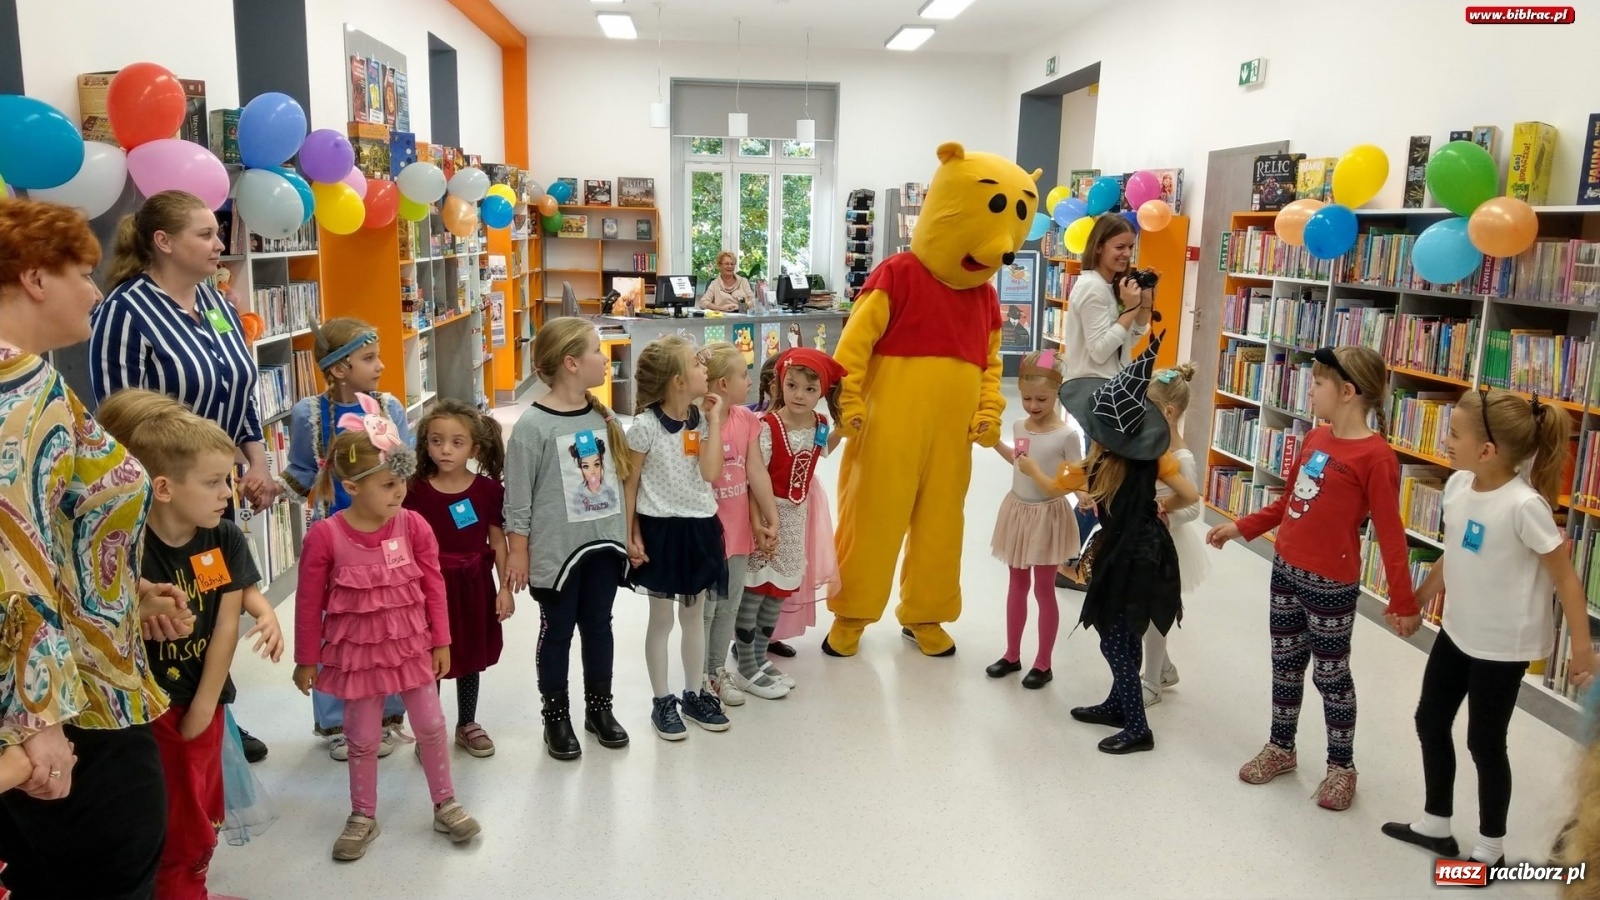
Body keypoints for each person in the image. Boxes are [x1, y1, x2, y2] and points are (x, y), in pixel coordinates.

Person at [0, 198, 192, 899]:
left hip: (66, 685)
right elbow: (10, 563)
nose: (96, 289)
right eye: (81, 271)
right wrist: (37, 722)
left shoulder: (33, 379)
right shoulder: (19, 393)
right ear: (33, 278)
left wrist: (128, 590)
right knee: (109, 873)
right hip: (76, 707)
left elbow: (50, 535)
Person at [89, 189, 283, 763]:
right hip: (165, 496)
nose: (220, 244)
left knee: (220, 595)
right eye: (206, 234)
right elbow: (119, 417)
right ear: (163, 242)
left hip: (215, 486)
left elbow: (241, 389)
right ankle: (168, 723)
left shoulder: (218, 302)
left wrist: (257, 462)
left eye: (219, 234)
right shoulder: (124, 310)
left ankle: (218, 711)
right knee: (176, 612)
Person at [1382, 388, 1596, 868]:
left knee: (1484, 740)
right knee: (1430, 720)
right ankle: (1436, 823)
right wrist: (1415, 600)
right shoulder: (1459, 486)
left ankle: (1491, 848)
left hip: (1502, 647)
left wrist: (1582, 650)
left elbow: (1566, 579)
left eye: (1455, 434)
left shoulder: (1525, 507)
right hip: (1458, 632)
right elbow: (1453, 554)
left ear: (1488, 450)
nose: (1447, 440)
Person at [1206, 345, 1418, 811]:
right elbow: (1288, 502)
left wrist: (1403, 602)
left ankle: (1342, 767)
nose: (1311, 389)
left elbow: (1389, 532)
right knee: (1285, 665)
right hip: (1285, 570)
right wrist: (1242, 526)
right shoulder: (1315, 439)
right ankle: (1281, 747)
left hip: (1331, 585)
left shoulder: (1376, 457)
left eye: (1319, 382)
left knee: (1331, 675)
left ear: (1346, 392)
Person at [293, 397, 480, 861]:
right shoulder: (326, 536)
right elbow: (308, 602)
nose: (400, 493)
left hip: (413, 648)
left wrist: (442, 640)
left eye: (402, 482)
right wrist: (305, 659)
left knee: (433, 723)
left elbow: (433, 585)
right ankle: (363, 815)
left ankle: (445, 802)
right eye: (389, 485)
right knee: (362, 735)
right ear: (352, 486)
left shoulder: (413, 526)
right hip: (358, 655)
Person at [97, 389, 257, 900]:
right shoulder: (122, 549)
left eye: (227, 480)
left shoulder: (224, 538)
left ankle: (193, 887)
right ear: (162, 487)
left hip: (199, 704)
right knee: (166, 821)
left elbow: (228, 625)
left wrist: (207, 705)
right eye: (214, 482)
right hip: (145, 711)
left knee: (200, 812)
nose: (227, 493)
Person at [1020, 333, 1196, 754]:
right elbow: (1189, 496)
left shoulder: (1096, 463)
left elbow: (1050, 484)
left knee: (1115, 637)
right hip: (1145, 551)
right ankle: (1119, 704)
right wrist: (1158, 508)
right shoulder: (1153, 459)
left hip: (1131, 560)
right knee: (1121, 633)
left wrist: (1025, 464)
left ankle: (1138, 727)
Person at [504, 318, 634, 759]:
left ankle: (599, 710)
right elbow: (517, 497)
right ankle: (555, 717)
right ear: (572, 363)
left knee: (599, 626)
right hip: (557, 551)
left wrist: (629, 534)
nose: (605, 358)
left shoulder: (604, 415)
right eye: (598, 351)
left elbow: (620, 479)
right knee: (557, 631)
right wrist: (517, 551)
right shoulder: (533, 427)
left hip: (602, 543)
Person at [282, 317, 411, 760]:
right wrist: (268, 490)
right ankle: (339, 720)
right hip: (332, 537)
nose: (380, 365)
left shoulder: (390, 406)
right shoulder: (307, 414)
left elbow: (403, 467)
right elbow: (302, 471)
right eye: (369, 358)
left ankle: (386, 715)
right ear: (338, 368)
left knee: (385, 623)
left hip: (383, 534)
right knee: (334, 626)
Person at [624, 335, 730, 739]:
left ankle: (693, 692)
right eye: (696, 364)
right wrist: (630, 533)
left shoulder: (700, 419)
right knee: (662, 619)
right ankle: (662, 700)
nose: (706, 369)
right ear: (677, 381)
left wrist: (715, 421)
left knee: (694, 617)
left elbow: (709, 472)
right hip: (661, 529)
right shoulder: (645, 427)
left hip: (700, 526)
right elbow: (629, 484)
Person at [405, 400, 512, 758]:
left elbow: (498, 540)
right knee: (429, 661)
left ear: (474, 448)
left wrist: (505, 590)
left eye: (456, 442)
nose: (445, 450)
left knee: (469, 656)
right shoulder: (413, 491)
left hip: (473, 586)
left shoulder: (487, 491)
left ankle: (467, 723)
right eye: (436, 441)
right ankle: (429, 729)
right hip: (428, 590)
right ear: (425, 444)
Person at [738, 349, 847, 699]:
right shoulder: (767, 426)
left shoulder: (819, 425)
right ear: (779, 384)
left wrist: (844, 431)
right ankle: (745, 664)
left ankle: (760, 654)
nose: (800, 395)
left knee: (780, 588)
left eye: (810, 390)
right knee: (755, 588)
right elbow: (755, 479)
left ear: (822, 393)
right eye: (792, 385)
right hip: (768, 516)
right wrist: (760, 522)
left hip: (798, 516)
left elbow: (822, 452)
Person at [1057, 214, 1153, 593]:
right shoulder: (1093, 289)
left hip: (1110, 391)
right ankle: (1066, 559)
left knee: (1102, 478)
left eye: (1130, 247)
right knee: (1101, 481)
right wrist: (1127, 311)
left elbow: (1135, 335)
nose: (1126, 254)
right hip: (1096, 392)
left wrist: (1140, 305)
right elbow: (1099, 350)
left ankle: (1069, 555)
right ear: (1098, 246)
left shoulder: (1109, 286)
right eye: (1119, 247)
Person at [986, 349, 1082, 690]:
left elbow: (1073, 481)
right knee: (1016, 584)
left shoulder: (1067, 435)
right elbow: (1019, 461)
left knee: (1044, 589)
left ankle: (1044, 662)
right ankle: (1012, 654)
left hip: (1047, 517)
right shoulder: (1019, 424)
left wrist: (1083, 495)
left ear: (1058, 392)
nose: (1032, 405)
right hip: (1018, 511)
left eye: (1041, 398)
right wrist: (995, 443)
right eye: (1026, 398)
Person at [701, 343, 780, 708]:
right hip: (703, 538)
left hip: (737, 535)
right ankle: (698, 672)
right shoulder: (697, 422)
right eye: (744, 375)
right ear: (721, 384)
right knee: (703, 610)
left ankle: (717, 670)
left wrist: (770, 516)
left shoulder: (748, 420)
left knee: (728, 605)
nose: (751, 381)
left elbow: (755, 471)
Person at [1141, 362, 1211, 706]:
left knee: (1156, 613)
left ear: (1167, 412)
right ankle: (1164, 668)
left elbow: (1194, 508)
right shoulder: (1152, 445)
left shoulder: (1181, 456)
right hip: (1146, 538)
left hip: (1167, 544)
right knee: (1141, 607)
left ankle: (1151, 682)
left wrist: (1165, 510)